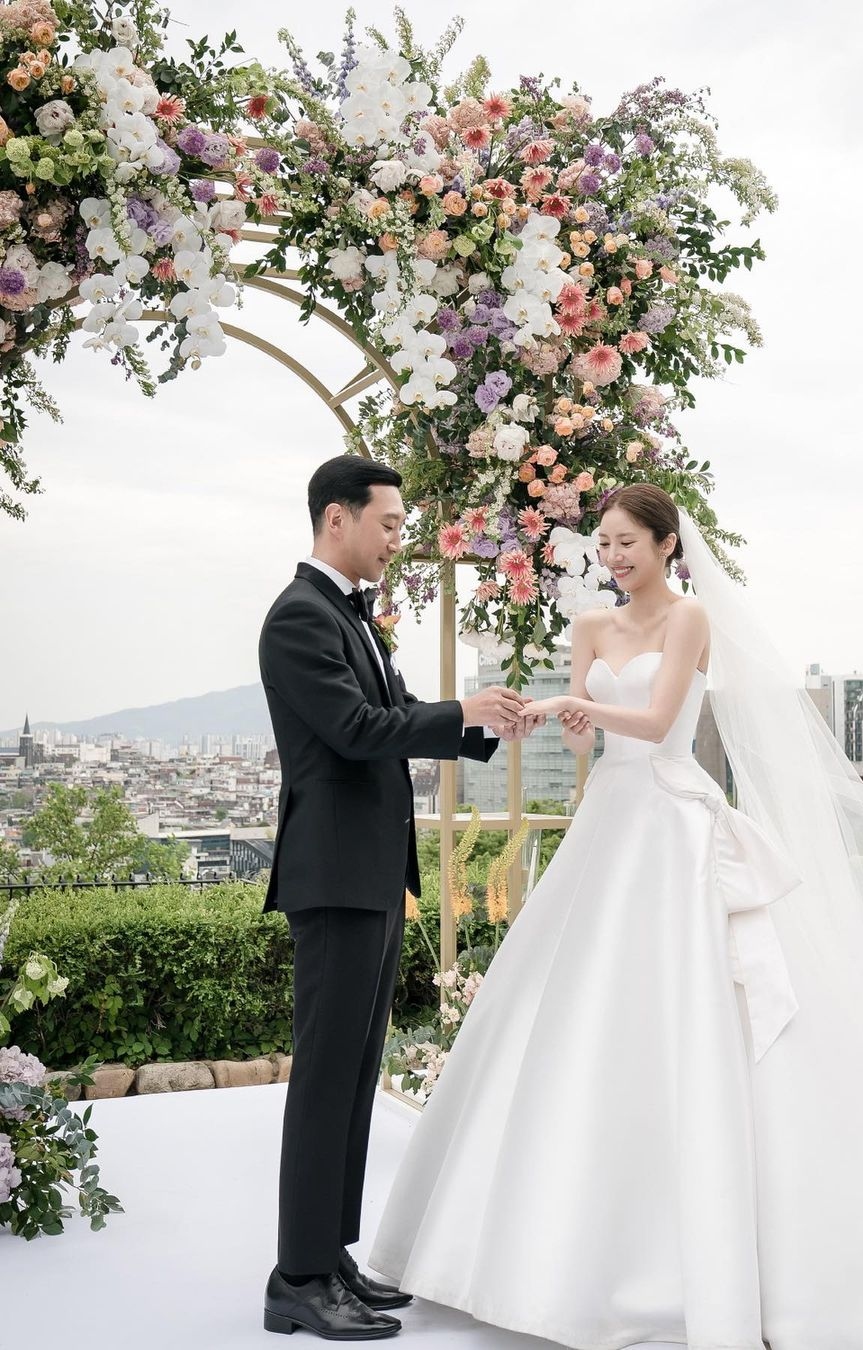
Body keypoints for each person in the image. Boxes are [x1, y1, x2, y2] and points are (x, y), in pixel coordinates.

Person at [368, 483, 863, 1350]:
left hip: (673, 817)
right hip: (611, 817)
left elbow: (657, 719)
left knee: (697, 998)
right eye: (604, 544)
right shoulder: (590, 627)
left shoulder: (690, 620)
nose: (614, 558)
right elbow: (587, 740)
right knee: (580, 1003)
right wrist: (548, 719)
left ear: (667, 545)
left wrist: (573, 707)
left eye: (628, 543)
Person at [258, 455, 543, 1341]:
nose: (396, 540)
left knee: (354, 1076)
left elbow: (399, 709)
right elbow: (354, 731)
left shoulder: (351, 614)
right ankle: (297, 1278)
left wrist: (482, 722)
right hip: (335, 878)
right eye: (387, 524)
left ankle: (329, 1255)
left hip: (372, 873)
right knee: (326, 1079)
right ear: (336, 518)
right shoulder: (299, 616)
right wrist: (462, 710)